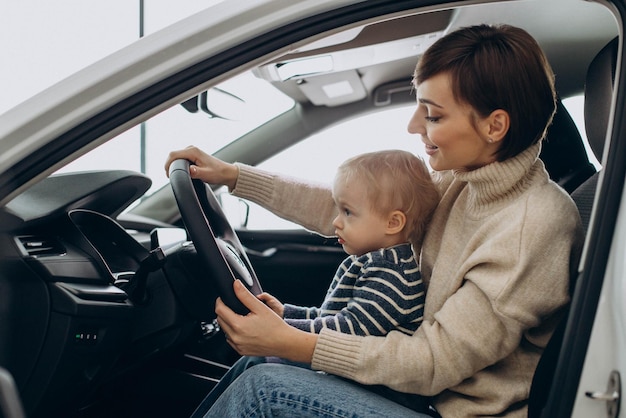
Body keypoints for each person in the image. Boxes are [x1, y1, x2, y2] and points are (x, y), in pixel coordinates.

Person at [165, 23, 584, 418]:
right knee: (259, 363)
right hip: (416, 396)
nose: (413, 125)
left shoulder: (531, 227)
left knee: (263, 388)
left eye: (433, 115)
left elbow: (433, 361)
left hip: (447, 409)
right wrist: (235, 177)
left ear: (495, 126)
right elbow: (359, 209)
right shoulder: (462, 181)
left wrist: (298, 344)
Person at [267, 150, 439, 338]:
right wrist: (285, 314)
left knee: (260, 363)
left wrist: (281, 328)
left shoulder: (391, 275)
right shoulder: (370, 261)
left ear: (393, 223)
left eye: (347, 212)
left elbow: (349, 328)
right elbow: (331, 316)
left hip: (350, 365)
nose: (336, 222)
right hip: (330, 360)